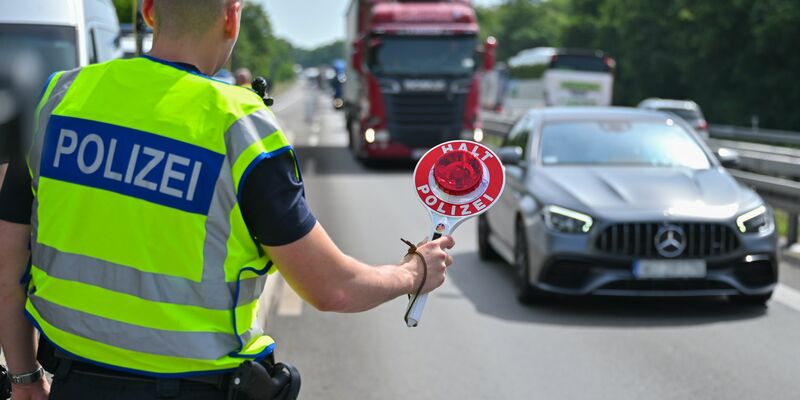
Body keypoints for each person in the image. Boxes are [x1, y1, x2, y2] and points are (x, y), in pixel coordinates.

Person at [0, 0, 455, 399]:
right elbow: (332, 288)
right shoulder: (242, 129)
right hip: (196, 388)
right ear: (232, 19)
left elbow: (7, 267)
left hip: (76, 383)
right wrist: (412, 273)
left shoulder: (57, 99)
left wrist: (23, 376)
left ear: (148, 10)